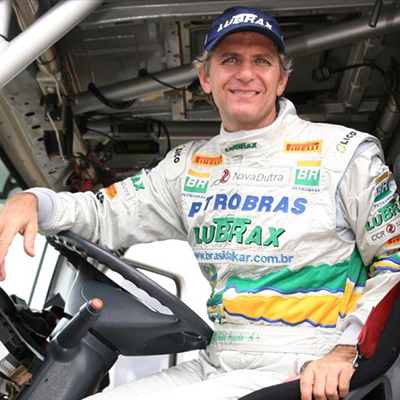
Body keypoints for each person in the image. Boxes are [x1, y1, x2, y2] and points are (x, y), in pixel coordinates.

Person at [0, 5, 399, 400]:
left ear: (281, 80)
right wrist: (33, 201)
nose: (246, 73)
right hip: (218, 358)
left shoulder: (343, 153)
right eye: (230, 60)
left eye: (262, 61)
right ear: (206, 78)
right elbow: (104, 215)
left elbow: (393, 257)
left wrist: (347, 349)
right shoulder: (187, 167)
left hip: (306, 362)